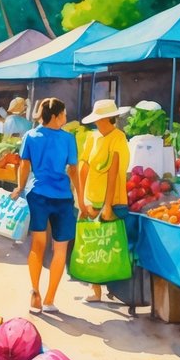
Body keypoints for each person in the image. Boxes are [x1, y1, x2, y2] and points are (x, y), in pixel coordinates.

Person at [12, 98, 86, 315]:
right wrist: (81, 200)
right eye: (64, 114)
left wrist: (19, 187)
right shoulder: (68, 139)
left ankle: (35, 291)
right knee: (60, 249)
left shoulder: (30, 136)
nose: (66, 118)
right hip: (62, 198)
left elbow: (24, 165)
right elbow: (73, 170)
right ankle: (49, 299)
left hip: (38, 195)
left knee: (37, 245)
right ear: (55, 116)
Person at [78, 99, 132, 302]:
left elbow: (113, 172)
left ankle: (115, 290)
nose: (97, 122)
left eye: (99, 119)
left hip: (113, 200)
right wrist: (81, 200)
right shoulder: (91, 137)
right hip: (91, 200)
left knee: (110, 245)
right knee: (93, 246)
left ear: (108, 119)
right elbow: (83, 168)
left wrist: (108, 205)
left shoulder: (119, 137)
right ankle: (96, 290)